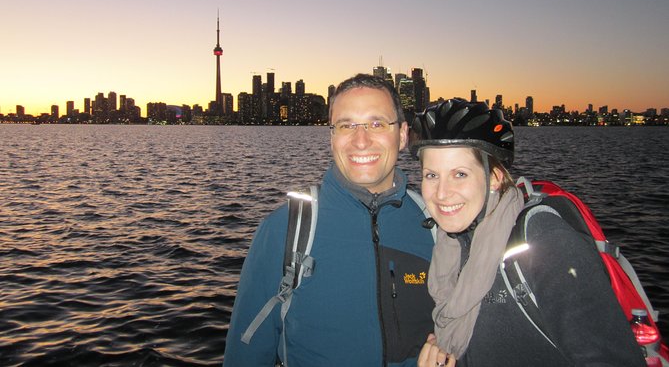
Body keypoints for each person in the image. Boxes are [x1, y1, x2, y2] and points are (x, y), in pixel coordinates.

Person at [411, 98, 646, 367]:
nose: (441, 194)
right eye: (431, 175)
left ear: (495, 178)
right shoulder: (450, 246)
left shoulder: (543, 240)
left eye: (460, 174)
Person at [223, 74, 435, 366]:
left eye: (377, 124)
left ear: (401, 135)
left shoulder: (436, 225)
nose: (361, 141)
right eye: (346, 125)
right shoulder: (286, 229)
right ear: (332, 137)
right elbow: (245, 353)